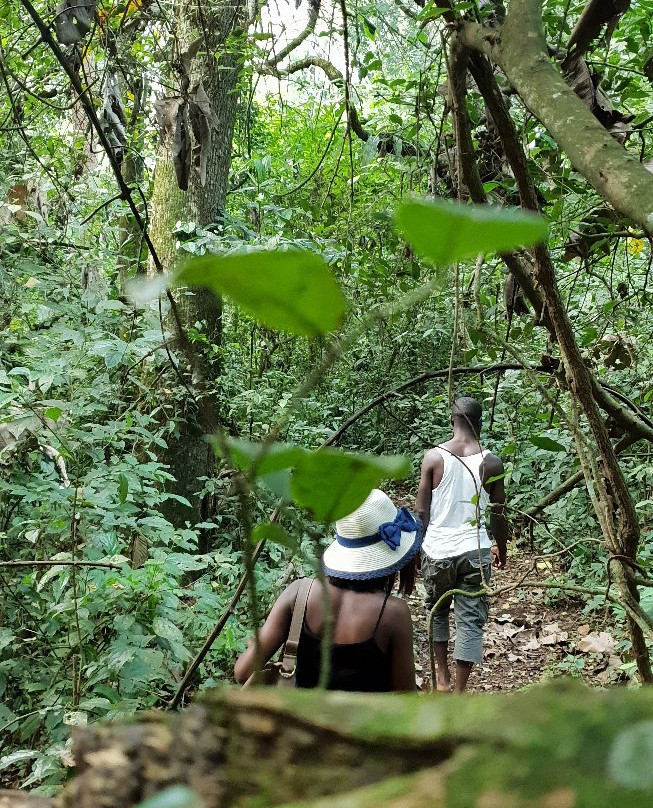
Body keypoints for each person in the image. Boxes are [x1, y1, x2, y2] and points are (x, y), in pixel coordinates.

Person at [234, 489, 422, 692]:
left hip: (299, 720)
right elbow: (406, 697)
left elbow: (243, 672)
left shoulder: (298, 593)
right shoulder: (393, 614)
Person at [415, 396, 510, 694]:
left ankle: (441, 677)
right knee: (470, 621)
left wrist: (418, 549)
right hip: (475, 551)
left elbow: (422, 511)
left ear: (451, 420)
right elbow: (498, 513)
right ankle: (459, 693)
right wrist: (502, 548)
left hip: (438, 551)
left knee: (438, 610)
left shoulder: (433, 458)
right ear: (479, 423)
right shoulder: (492, 462)